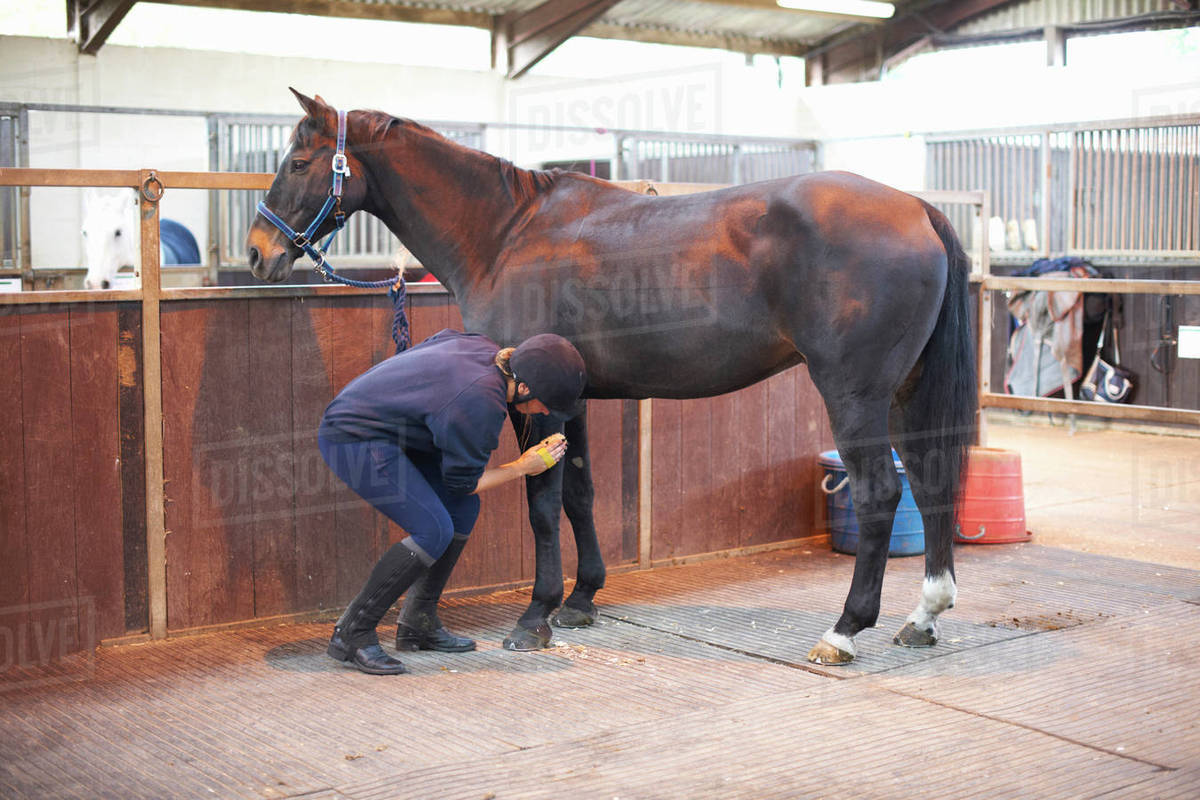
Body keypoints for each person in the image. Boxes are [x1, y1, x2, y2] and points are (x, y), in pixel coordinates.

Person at [317, 329, 587, 675]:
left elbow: (433, 347)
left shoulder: (482, 346)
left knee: (461, 510)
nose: (544, 412)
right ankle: (352, 633)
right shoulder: (481, 403)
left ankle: (419, 621)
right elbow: (465, 482)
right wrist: (524, 466)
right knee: (433, 530)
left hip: (393, 432)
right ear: (524, 389)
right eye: (546, 404)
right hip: (353, 437)